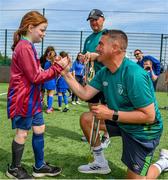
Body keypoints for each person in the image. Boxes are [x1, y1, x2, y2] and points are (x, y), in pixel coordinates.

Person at [59, 29, 163, 178]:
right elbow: (84, 94)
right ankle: (100, 163)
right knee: (87, 119)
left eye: (101, 44)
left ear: (115, 48)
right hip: (122, 122)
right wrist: (66, 73)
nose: (96, 48)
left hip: (144, 131)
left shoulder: (134, 74)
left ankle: (163, 162)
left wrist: (110, 114)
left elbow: (149, 116)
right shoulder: (105, 72)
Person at [6, 11, 63, 179]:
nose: (44, 34)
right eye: (42, 30)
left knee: (39, 128)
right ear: (30, 27)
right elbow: (35, 77)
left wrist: (52, 68)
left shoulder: (29, 46)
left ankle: (39, 166)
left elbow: (36, 73)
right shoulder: (23, 47)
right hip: (23, 98)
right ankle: (14, 168)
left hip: (33, 98)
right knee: (22, 133)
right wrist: (58, 67)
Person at [81, 9, 110, 148]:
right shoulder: (88, 38)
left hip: (107, 78)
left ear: (103, 19)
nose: (93, 22)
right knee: (92, 107)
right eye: (91, 20)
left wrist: (96, 56)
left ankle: (107, 135)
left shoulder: (108, 35)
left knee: (105, 108)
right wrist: (83, 57)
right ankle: (93, 128)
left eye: (96, 19)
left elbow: (111, 56)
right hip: (93, 80)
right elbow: (87, 56)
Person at [42, 46, 57, 113]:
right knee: (51, 94)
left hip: (46, 80)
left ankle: (48, 106)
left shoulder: (46, 63)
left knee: (48, 93)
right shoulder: (52, 63)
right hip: (51, 80)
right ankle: (49, 108)